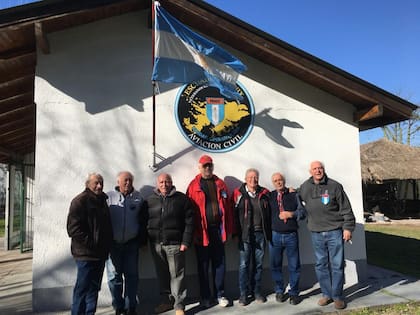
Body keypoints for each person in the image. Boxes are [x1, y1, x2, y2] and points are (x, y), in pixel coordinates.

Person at [299, 161, 355, 310]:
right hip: (316, 232)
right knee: (321, 264)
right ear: (310, 171)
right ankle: (326, 294)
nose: (318, 171)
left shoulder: (334, 186)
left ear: (323, 170)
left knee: (337, 265)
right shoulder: (305, 187)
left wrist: (348, 228)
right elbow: (298, 200)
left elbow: (346, 208)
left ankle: (337, 296)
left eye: (320, 168)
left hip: (335, 231)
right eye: (315, 169)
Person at [186, 155, 233, 308]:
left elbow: (229, 209)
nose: (208, 168)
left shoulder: (220, 184)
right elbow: (189, 212)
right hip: (202, 232)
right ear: (199, 167)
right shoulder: (193, 186)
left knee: (220, 264)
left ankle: (220, 294)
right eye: (205, 166)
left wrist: (229, 229)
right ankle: (205, 297)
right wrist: (192, 233)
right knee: (203, 265)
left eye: (210, 166)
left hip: (218, 230)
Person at [146, 173, 194, 315]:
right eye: (161, 182)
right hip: (156, 244)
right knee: (162, 275)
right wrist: (145, 240)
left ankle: (179, 305)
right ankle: (166, 302)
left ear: (171, 183)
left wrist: (185, 242)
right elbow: (143, 221)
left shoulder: (181, 199)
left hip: (175, 244)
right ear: (157, 183)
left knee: (177, 275)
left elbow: (189, 222)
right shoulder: (150, 200)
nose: (164, 184)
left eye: (167, 181)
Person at [67, 172, 113, 315]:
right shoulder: (79, 201)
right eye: (96, 183)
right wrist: (92, 243)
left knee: (94, 289)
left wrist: (105, 246)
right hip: (85, 255)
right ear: (88, 184)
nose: (99, 186)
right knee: (82, 289)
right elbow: (73, 229)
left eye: (101, 183)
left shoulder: (102, 200)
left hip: (100, 254)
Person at [106, 171, 147, 315]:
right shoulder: (108, 197)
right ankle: (119, 306)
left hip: (131, 244)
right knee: (114, 278)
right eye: (125, 180)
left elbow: (143, 220)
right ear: (118, 182)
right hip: (113, 245)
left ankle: (131, 307)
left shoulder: (138, 198)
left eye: (130, 180)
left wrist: (141, 240)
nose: (128, 183)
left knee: (132, 276)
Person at [232, 168, 271, 306]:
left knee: (258, 265)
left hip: (261, 234)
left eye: (255, 177)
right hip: (245, 235)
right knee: (244, 265)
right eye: (250, 177)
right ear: (245, 179)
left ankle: (257, 292)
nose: (253, 180)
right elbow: (234, 215)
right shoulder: (238, 194)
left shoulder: (265, 193)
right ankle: (243, 294)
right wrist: (236, 233)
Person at [268, 172, 306, 305]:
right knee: (275, 265)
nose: (278, 182)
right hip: (275, 236)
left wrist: (291, 214)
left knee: (294, 266)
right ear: (273, 183)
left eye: (280, 180)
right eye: (276, 181)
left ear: (284, 181)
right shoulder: (269, 196)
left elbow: (303, 212)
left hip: (291, 235)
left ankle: (294, 293)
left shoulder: (293, 195)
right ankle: (279, 290)